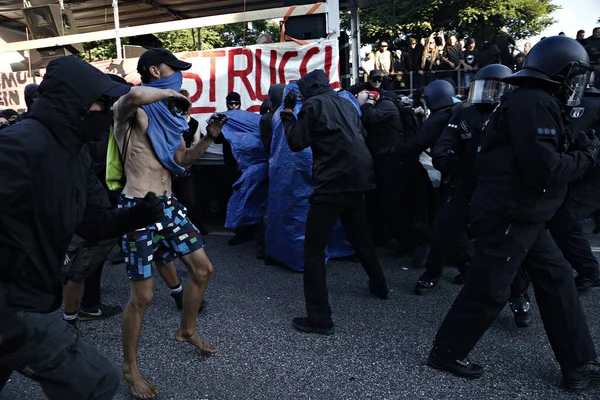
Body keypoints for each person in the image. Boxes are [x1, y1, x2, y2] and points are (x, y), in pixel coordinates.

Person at [426, 36, 600, 391]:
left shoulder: (533, 100)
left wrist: (578, 146)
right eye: (574, 76)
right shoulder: (532, 102)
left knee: (557, 279)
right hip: (509, 213)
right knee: (490, 290)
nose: (576, 86)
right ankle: (446, 352)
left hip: (525, 213)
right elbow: (545, 169)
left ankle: (578, 365)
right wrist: (589, 157)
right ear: (560, 71)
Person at [0, 56, 163, 399]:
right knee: (96, 381)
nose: (107, 110)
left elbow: (92, 223)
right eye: (101, 102)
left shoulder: (77, 154)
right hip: (12, 305)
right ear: (71, 101)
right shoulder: (20, 145)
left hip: (37, 295)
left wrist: (138, 215)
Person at [112, 48, 227, 399]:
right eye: (171, 69)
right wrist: (172, 92)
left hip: (168, 205)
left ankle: (186, 330)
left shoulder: (170, 118)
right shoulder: (129, 112)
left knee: (203, 269)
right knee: (142, 297)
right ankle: (130, 368)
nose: (177, 75)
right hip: (137, 208)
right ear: (152, 70)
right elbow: (132, 94)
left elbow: (182, 160)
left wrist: (208, 136)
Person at [281, 70, 388, 336]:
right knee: (360, 235)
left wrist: (287, 114)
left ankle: (320, 319)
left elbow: (296, 142)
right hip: (360, 178)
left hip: (331, 183)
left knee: (314, 251)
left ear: (306, 92)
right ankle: (380, 286)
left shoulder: (312, 105)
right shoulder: (346, 102)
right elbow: (360, 133)